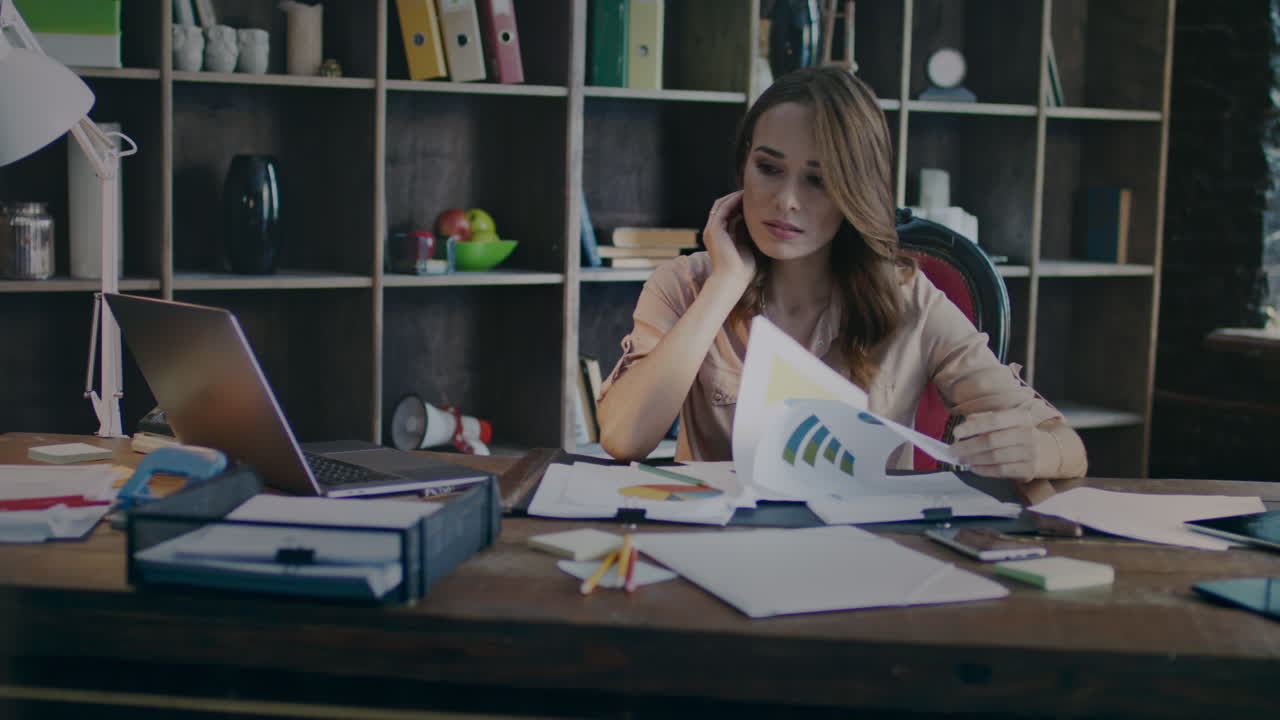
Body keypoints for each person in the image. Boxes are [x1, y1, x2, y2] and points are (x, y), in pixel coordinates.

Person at [595, 66, 1087, 482]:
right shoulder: (685, 284)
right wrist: (724, 285)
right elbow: (623, 440)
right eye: (768, 168)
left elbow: (1066, 445)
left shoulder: (910, 300)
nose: (786, 200)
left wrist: (1037, 453)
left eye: (818, 180)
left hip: (866, 556)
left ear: (854, 192)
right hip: (718, 548)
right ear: (743, 166)